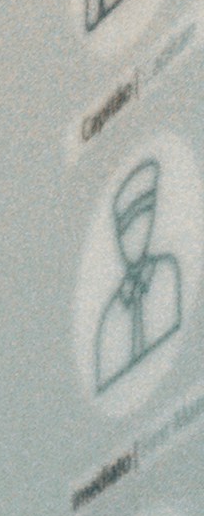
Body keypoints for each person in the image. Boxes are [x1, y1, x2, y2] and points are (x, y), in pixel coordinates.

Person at [92, 159, 183, 398]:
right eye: (125, 228)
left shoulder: (167, 272)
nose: (133, 236)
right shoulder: (111, 313)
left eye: (142, 220)